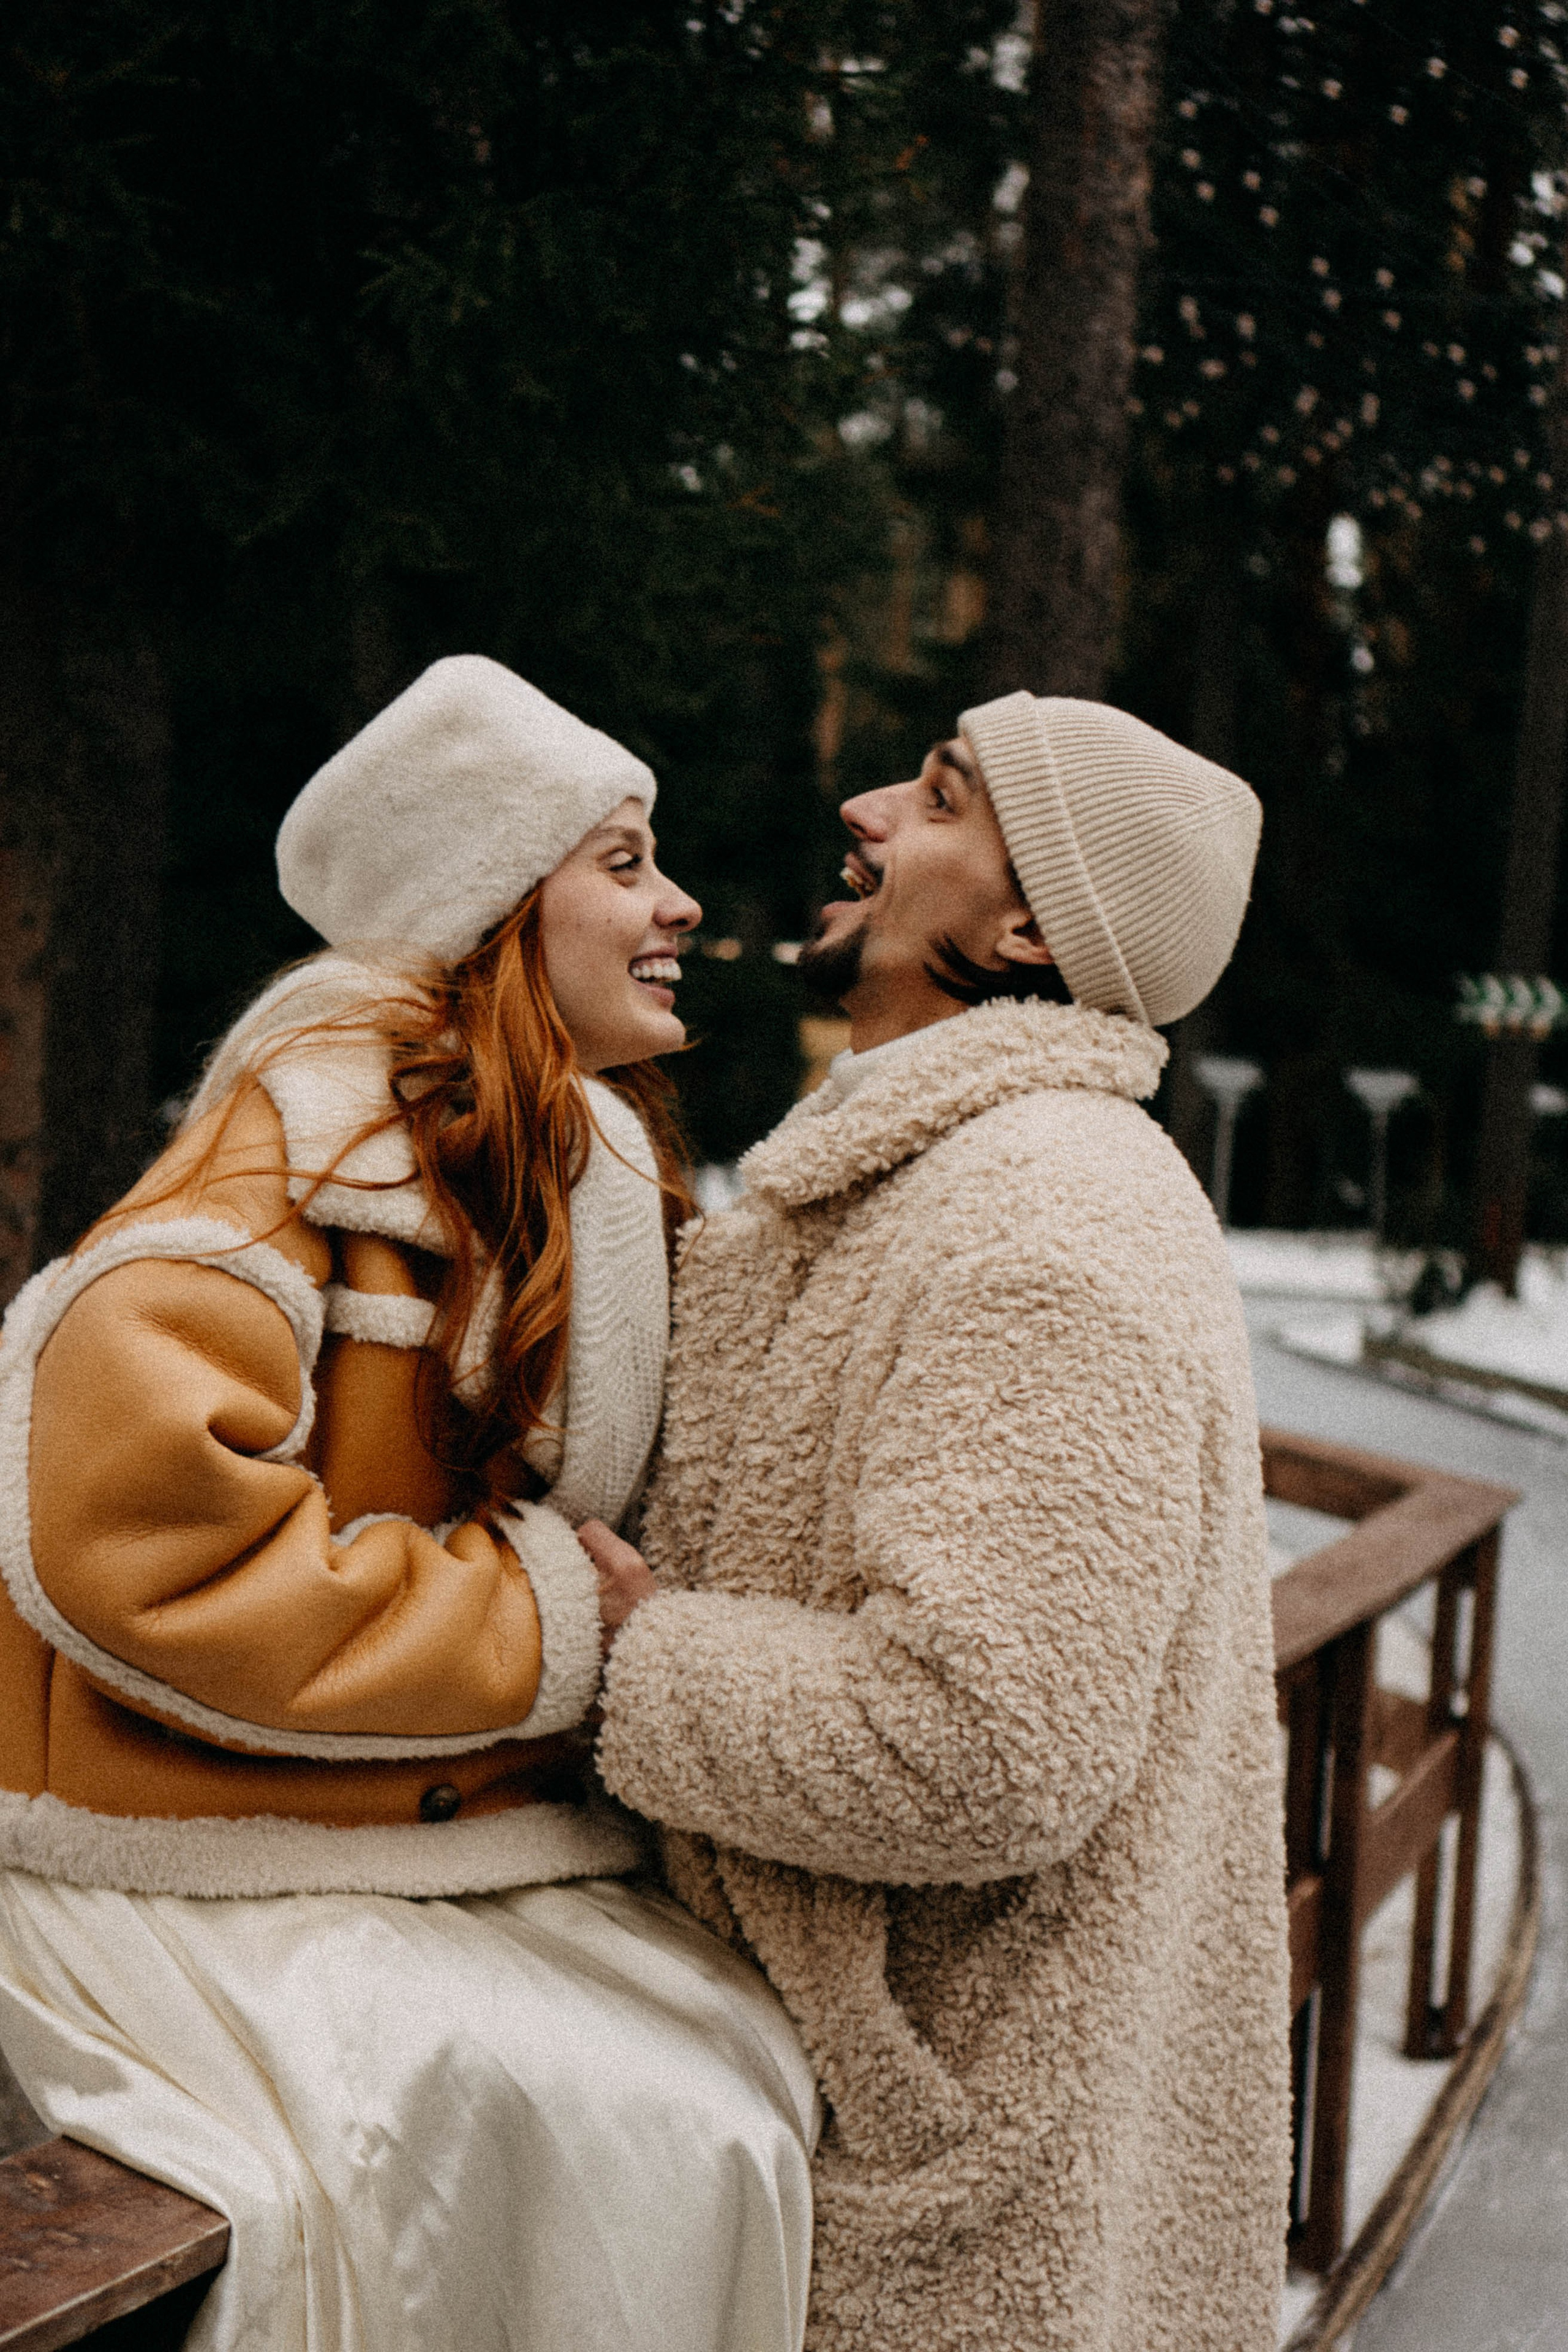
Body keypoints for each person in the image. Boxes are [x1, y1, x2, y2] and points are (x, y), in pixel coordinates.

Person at [0, 655, 818, 2352]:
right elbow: (137, 1540)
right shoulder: (288, 1166)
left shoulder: (558, 1167)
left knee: (737, 2081)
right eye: (620, 860)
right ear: (493, 903)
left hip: (393, 1839)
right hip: (188, 1858)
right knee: (658, 2124)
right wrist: (559, 1621)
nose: (677, 903)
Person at [584, 691, 1292, 2352]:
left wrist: (632, 1650)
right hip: (850, 2137)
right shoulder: (943, 1174)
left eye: (942, 797)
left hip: (948, 2224)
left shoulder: (1054, 1216)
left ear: (1035, 916)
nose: (866, 805)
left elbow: (985, 1742)